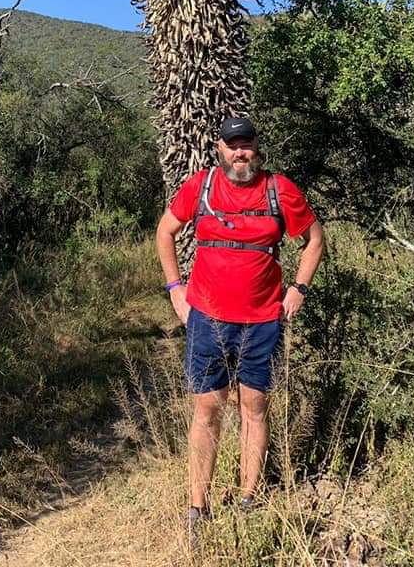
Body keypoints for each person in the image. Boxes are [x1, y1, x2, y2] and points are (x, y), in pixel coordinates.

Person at [156, 116, 324, 525]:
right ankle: (198, 506)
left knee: (254, 408)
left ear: (256, 148)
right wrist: (176, 289)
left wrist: (298, 289)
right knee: (207, 409)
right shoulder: (201, 187)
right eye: (233, 145)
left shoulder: (279, 190)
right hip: (208, 319)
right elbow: (165, 232)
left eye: (246, 144)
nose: (240, 152)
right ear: (219, 148)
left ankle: (249, 500)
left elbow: (315, 240)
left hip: (262, 321)